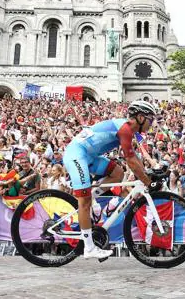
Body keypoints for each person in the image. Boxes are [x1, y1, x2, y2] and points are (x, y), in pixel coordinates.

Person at [63, 100, 159, 260]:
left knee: (117, 172)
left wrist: (151, 169)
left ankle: (89, 199)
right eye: (150, 119)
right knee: (85, 201)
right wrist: (148, 181)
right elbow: (131, 160)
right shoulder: (125, 129)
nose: (152, 123)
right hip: (76, 155)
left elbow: (136, 155)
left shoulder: (129, 130)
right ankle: (89, 247)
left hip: (89, 156)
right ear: (141, 117)